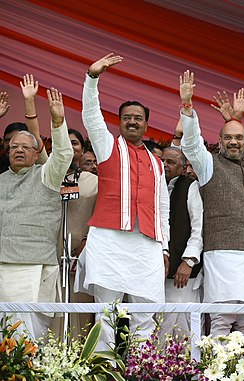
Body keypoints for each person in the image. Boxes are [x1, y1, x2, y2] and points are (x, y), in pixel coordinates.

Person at [76, 54, 170, 350]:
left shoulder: (158, 163)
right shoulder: (107, 147)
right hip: (109, 241)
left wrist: (164, 248)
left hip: (146, 246)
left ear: (146, 125)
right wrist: (93, 77)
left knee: (145, 314)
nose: (132, 121)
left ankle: (141, 369)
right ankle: (104, 369)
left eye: (137, 118)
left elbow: (163, 208)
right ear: (120, 122)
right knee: (107, 314)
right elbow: (91, 115)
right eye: (127, 117)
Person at [180, 74, 244, 345]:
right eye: (228, 137)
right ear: (219, 141)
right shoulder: (208, 166)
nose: (234, 142)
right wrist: (187, 107)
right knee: (221, 318)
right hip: (222, 253)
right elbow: (191, 145)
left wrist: (235, 118)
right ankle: (217, 372)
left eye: (239, 138)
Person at [20, 73, 99, 336]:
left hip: (80, 256)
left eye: (75, 143)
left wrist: (87, 244)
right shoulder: (48, 173)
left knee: (80, 312)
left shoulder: (93, 181)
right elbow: (35, 138)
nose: (71, 148)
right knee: (50, 311)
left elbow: (101, 217)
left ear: (82, 149)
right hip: (50, 252)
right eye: (65, 142)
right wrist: (30, 104)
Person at [0, 87, 73, 338]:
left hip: (34, 262)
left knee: (25, 335)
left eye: (25, 147)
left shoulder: (46, 175)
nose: (18, 150)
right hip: (3, 261)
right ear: (7, 153)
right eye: (13, 147)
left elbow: (63, 155)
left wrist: (58, 121)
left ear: (36, 152)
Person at [160, 146, 203, 336]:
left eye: (170, 162)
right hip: (156, 271)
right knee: (157, 324)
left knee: (184, 326)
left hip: (183, 272)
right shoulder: (154, 184)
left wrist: (188, 261)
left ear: (183, 166)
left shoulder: (190, 186)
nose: (165, 165)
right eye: (162, 161)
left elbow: (198, 226)